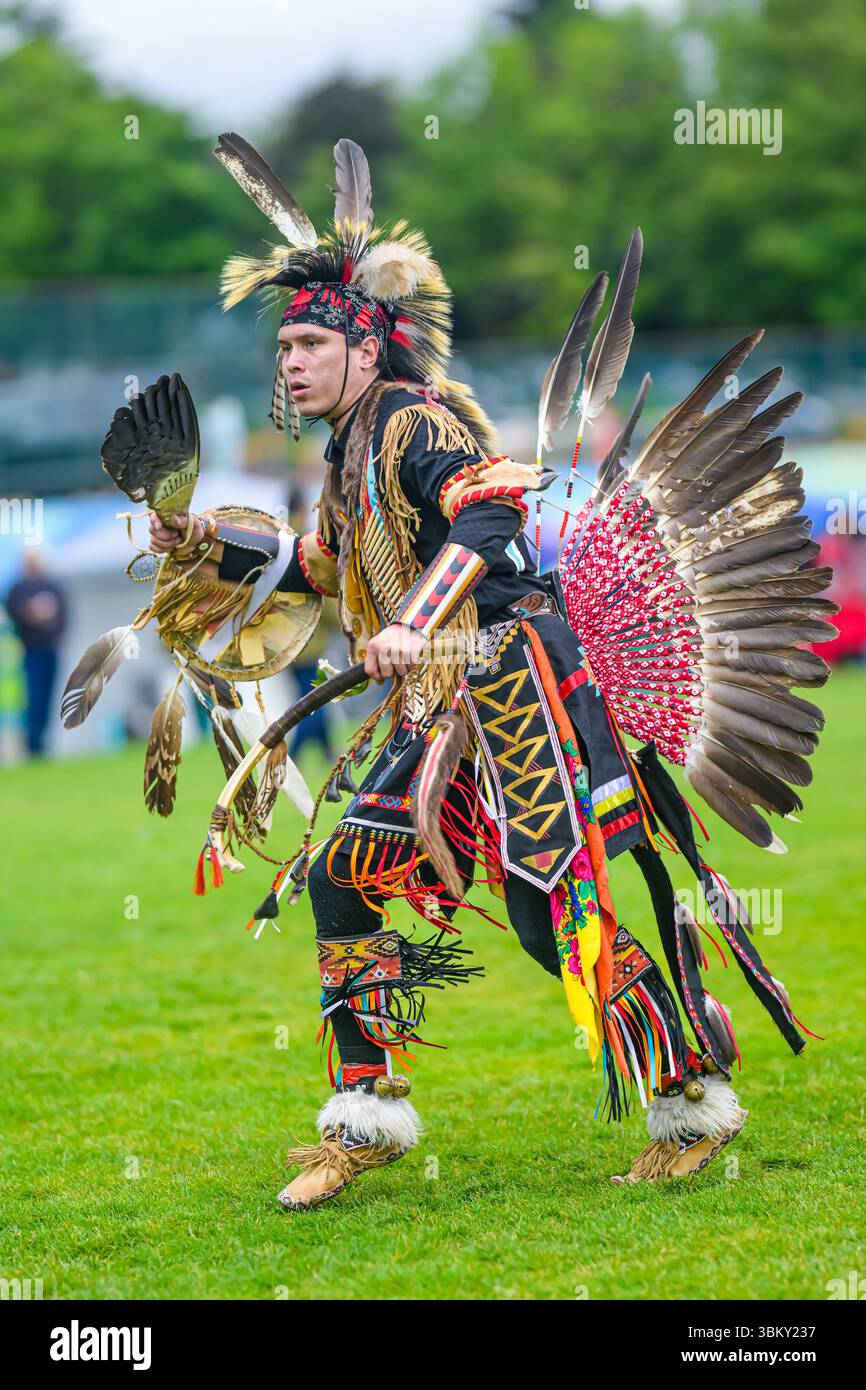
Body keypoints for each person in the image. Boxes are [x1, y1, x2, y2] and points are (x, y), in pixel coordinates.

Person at [149, 134, 829, 1210]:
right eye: (283, 348)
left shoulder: (413, 422)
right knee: (338, 877)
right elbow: (326, 567)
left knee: (548, 905)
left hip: (517, 685)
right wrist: (204, 538)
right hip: (439, 703)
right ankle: (363, 1110)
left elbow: (494, 512)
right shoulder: (348, 449)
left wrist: (417, 622)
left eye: (310, 343)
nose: (290, 361)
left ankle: (688, 1095)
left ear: (366, 351)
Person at [4, 550, 67, 756]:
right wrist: (30, 611)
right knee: (35, 694)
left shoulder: (52, 585)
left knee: (49, 695)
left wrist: (60, 634)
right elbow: (13, 610)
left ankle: (42, 740)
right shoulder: (18, 589)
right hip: (31, 649)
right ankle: (33, 742)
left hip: (50, 649)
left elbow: (64, 614)